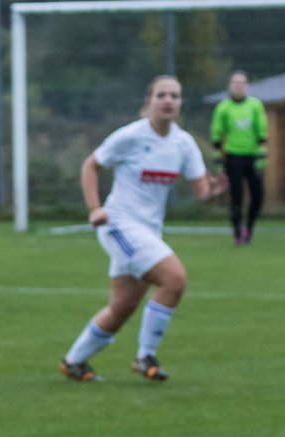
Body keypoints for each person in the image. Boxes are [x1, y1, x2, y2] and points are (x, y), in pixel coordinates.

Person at [59, 75, 226, 383]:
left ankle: (74, 362)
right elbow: (90, 165)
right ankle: (144, 356)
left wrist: (213, 192)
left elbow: (201, 191)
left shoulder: (183, 143)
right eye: (162, 95)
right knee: (174, 279)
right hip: (119, 224)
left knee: (122, 307)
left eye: (175, 96)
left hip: (149, 231)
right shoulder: (130, 136)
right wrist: (95, 208)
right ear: (149, 100)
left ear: (180, 103)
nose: (168, 101)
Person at [211, 70, 268, 246]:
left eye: (242, 83)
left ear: (247, 86)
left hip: (252, 157)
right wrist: (219, 162)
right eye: (235, 83)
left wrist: (261, 156)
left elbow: (262, 132)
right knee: (236, 196)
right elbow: (217, 135)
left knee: (258, 197)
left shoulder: (255, 105)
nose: (238, 86)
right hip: (233, 157)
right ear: (230, 85)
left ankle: (248, 229)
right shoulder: (223, 108)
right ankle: (237, 234)